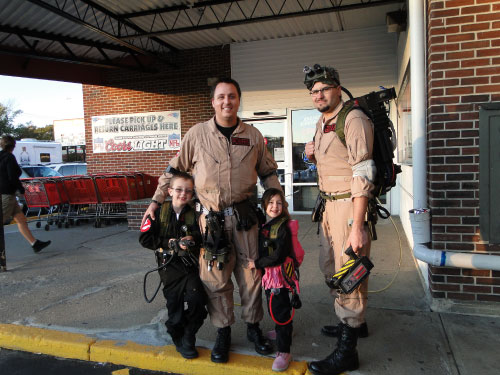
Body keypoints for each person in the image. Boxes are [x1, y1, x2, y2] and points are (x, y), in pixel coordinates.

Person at [141, 77, 282, 363]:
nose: (226, 102)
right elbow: (173, 170)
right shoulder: (196, 135)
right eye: (221, 97)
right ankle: (223, 332)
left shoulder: (253, 136)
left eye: (231, 96)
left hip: (245, 220)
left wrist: (276, 204)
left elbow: (268, 173)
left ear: (238, 100)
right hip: (210, 223)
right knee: (215, 278)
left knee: (251, 275)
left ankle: (254, 328)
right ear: (213, 101)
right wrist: (156, 200)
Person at [303, 65, 375, 375]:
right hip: (328, 208)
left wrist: (358, 225)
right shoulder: (323, 122)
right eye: (313, 91)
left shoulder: (353, 119)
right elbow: (333, 159)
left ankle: (348, 351)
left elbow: (362, 172)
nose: (318, 95)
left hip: (349, 207)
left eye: (323, 89)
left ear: (338, 88)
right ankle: (354, 323)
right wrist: (311, 155)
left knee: (350, 275)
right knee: (329, 268)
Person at [139, 172, 207, 359]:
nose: (183, 194)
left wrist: (193, 238)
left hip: (189, 265)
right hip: (168, 267)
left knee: (198, 302)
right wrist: (169, 243)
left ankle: (189, 336)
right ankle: (176, 332)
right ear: (169, 191)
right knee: (174, 307)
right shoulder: (158, 212)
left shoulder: (195, 214)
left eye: (188, 191)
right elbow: (144, 239)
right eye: (178, 190)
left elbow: (203, 237)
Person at [248, 188, 296, 372]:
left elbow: (279, 255)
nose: (274, 206)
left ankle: (284, 352)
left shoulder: (282, 227)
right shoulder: (268, 223)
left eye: (278, 202)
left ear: (283, 205)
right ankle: (281, 330)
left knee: (280, 311)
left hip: (279, 276)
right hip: (271, 276)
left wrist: (257, 263)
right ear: (264, 205)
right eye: (270, 203)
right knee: (276, 306)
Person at [0, 135, 51, 254]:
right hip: (7, 194)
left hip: (7, 193)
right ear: (13, 146)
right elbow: (12, 176)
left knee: (21, 219)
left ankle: (34, 243)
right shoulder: (9, 157)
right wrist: (21, 190)